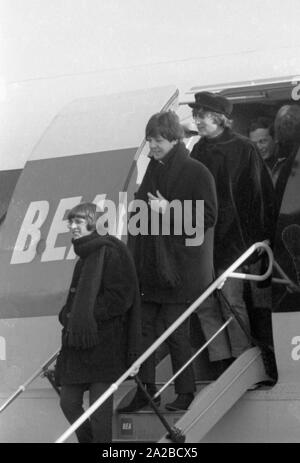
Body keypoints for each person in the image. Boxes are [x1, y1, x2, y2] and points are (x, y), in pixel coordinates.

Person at [119, 111, 231, 413]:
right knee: (143, 330)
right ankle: (147, 390)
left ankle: (185, 392)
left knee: (175, 330)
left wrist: (168, 209)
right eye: (149, 140)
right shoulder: (154, 171)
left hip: (181, 269)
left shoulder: (196, 172)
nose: (152, 146)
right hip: (154, 267)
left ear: (173, 138)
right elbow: (141, 216)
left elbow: (208, 217)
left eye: (157, 139)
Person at [189, 92, 275, 361]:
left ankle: (242, 359)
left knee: (231, 300)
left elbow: (260, 195)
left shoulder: (244, 148)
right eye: (196, 116)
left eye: (201, 115)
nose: (197, 121)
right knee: (205, 303)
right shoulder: (198, 149)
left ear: (217, 118)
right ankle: (221, 360)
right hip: (206, 239)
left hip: (234, 239)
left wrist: (262, 237)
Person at [55, 202, 141, 443]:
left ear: (93, 223)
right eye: (70, 222)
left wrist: (86, 314)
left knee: (99, 414)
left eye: (78, 222)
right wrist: (68, 315)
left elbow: (120, 298)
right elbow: (76, 301)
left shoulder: (111, 252)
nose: (72, 227)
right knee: (68, 403)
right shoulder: (85, 256)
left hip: (105, 347)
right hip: (80, 348)